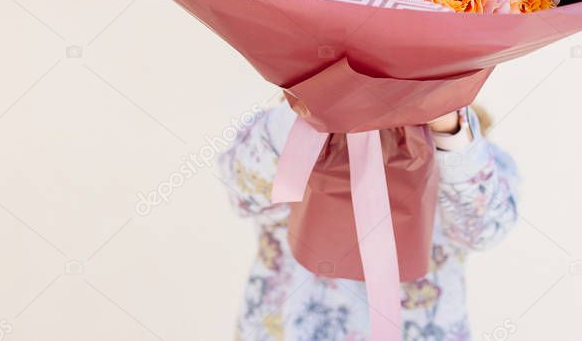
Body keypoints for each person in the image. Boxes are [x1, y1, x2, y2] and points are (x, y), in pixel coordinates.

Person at [219, 99, 520, 340]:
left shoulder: (473, 151)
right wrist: (314, 101)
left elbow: (485, 229)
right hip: (288, 326)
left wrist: (449, 126)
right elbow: (243, 194)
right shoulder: (286, 125)